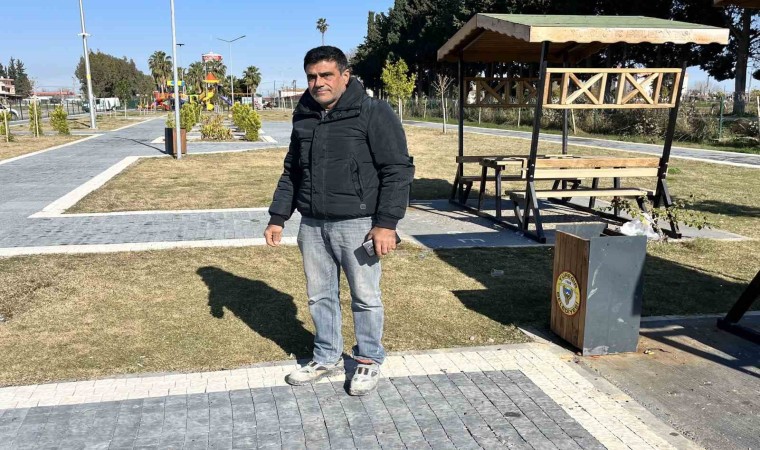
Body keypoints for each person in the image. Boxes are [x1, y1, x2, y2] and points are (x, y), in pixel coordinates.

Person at [264, 46, 414, 396]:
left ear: (345, 76)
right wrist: (278, 217)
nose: (318, 83)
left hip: (358, 224)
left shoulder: (373, 111)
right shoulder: (304, 116)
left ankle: (368, 359)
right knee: (319, 296)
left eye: (326, 75)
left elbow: (397, 169)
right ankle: (327, 356)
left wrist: (387, 223)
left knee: (365, 296)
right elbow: (292, 171)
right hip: (312, 225)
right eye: (312, 77)